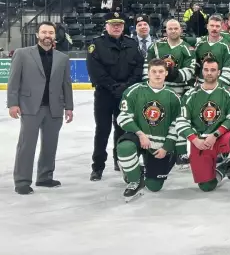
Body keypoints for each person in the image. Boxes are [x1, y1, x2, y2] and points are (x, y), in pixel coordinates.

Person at [7, 22, 74, 195]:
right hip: (30, 106)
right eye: (44, 32)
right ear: (37, 35)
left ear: (54, 36)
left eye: (50, 32)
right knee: (27, 145)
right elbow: (13, 81)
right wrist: (13, 103)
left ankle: (44, 177)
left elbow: (66, 84)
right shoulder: (22, 54)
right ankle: (22, 181)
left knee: (50, 145)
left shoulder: (62, 58)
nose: (47, 35)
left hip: (54, 107)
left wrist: (69, 107)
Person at [177, 58, 230, 196]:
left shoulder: (229, 92)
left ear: (219, 72)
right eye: (206, 70)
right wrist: (194, 140)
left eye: (213, 70)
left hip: (221, 136)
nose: (209, 73)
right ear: (201, 72)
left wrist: (216, 134)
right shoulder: (190, 94)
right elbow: (181, 122)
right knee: (206, 186)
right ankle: (224, 168)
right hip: (201, 141)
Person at [87, 12, 144, 181]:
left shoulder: (131, 44)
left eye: (119, 24)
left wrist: (126, 87)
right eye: (113, 24)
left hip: (126, 95)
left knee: (122, 129)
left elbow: (139, 68)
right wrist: (114, 86)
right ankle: (97, 167)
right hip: (105, 95)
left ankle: (119, 160)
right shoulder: (96, 45)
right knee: (102, 130)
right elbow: (95, 71)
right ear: (106, 26)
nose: (117, 26)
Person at [115, 59, 182, 201]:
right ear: (148, 72)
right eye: (154, 71)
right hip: (139, 136)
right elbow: (123, 117)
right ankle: (135, 179)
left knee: (154, 186)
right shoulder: (134, 91)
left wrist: (166, 147)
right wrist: (139, 133)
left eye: (161, 72)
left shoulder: (174, 97)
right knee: (125, 148)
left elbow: (176, 125)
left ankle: (141, 169)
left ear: (166, 73)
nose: (157, 75)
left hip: (160, 144)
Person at [144, 19, 195, 98]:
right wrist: (148, 87)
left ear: (181, 30)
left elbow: (190, 72)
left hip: (178, 92)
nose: (173, 31)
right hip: (156, 89)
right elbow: (146, 68)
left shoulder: (188, 49)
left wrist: (167, 74)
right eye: (170, 29)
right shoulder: (155, 46)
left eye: (176, 28)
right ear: (166, 31)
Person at [193, 15, 230, 89]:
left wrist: (214, 86)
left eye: (217, 26)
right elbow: (194, 67)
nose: (214, 28)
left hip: (219, 88)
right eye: (212, 25)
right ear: (207, 26)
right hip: (200, 87)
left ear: (221, 28)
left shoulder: (227, 47)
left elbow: (229, 73)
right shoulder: (199, 44)